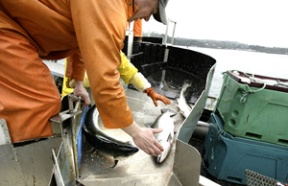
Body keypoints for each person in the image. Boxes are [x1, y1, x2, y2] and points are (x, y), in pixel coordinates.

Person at [0, 0, 169, 157]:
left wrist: (78, 83)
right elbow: (105, 80)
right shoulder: (110, 7)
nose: (147, 19)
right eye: (153, 11)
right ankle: (22, 169)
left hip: (17, 29)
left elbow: (80, 43)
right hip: (7, 24)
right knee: (38, 103)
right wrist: (136, 133)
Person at [62, 51, 171, 109]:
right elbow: (73, 80)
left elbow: (130, 72)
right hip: (72, 97)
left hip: (93, 100)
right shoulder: (80, 44)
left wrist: (149, 90)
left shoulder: (113, 50)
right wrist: (106, 77)